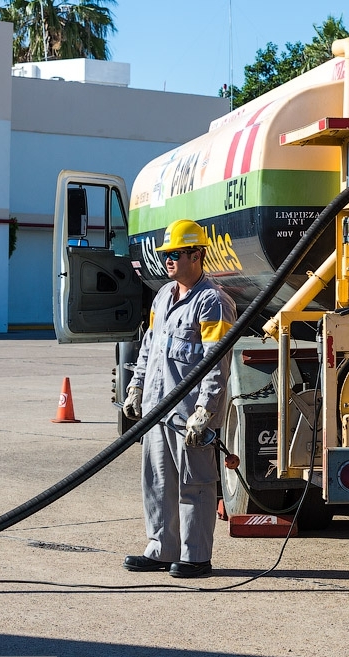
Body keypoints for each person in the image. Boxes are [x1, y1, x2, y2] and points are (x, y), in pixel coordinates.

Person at [120, 219, 237, 578]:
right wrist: (136, 385)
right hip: (157, 411)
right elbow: (149, 348)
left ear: (197, 254)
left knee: (195, 484)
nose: (169, 260)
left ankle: (195, 556)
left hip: (189, 415)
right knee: (157, 482)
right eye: (166, 254)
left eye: (176, 253)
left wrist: (205, 410)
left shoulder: (213, 303)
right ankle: (161, 549)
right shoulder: (162, 296)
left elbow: (216, 363)